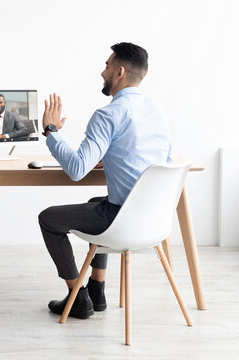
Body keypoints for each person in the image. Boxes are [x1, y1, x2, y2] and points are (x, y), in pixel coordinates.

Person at [39, 42, 172, 319]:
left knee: (48, 219)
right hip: (154, 221)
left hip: (121, 220)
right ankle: (97, 290)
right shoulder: (157, 113)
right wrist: (111, 155)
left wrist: (51, 132)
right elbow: (162, 164)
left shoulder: (108, 114)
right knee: (94, 202)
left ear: (120, 71)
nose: (103, 72)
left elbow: (77, 170)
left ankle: (78, 297)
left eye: (107, 65)